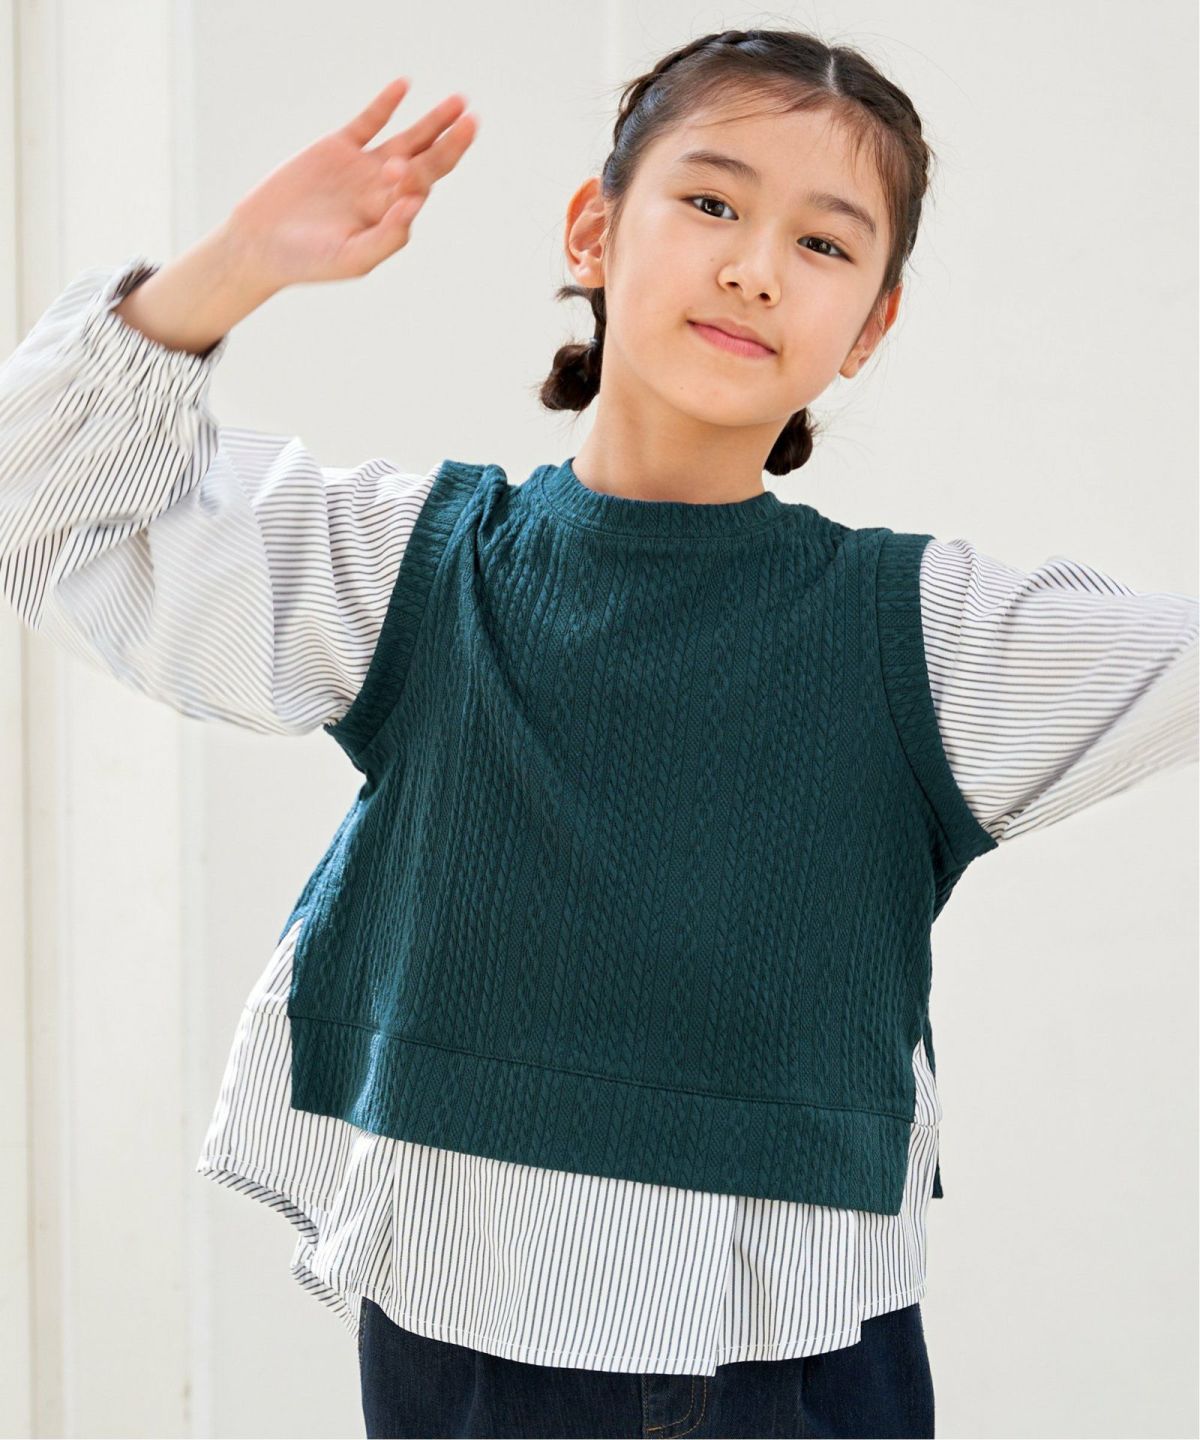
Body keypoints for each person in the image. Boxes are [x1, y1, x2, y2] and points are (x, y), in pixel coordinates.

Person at [1, 27, 1195, 1440]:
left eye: (823, 243)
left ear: (869, 327)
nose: (755, 266)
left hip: (795, 1349)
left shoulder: (929, 634)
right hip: (467, 1340)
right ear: (593, 229)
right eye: (712, 201)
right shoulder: (415, 566)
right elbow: (47, 513)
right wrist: (230, 270)